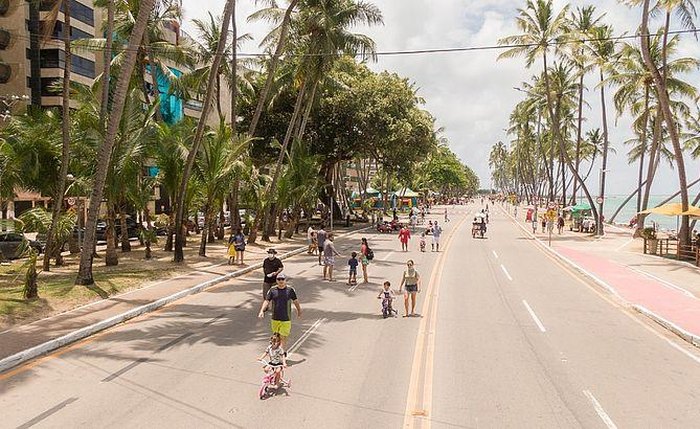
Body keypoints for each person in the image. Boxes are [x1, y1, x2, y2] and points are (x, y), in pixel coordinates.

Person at [258, 273, 301, 349]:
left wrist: (299, 311)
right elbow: (267, 301)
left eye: (282, 279)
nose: (281, 281)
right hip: (275, 318)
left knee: (283, 337)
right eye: (279, 279)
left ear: (285, 280)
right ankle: (276, 353)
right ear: (276, 281)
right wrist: (262, 310)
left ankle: (283, 353)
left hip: (286, 318)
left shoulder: (290, 290)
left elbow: (295, 301)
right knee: (276, 336)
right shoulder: (272, 290)